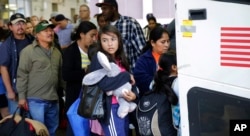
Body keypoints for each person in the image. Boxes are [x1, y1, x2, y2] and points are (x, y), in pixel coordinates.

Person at [87, 25, 138, 136]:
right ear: (100, 42)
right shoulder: (99, 58)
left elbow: (130, 82)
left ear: (119, 40)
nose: (110, 44)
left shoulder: (120, 58)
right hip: (111, 108)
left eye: (113, 39)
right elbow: (104, 85)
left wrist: (134, 95)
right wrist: (126, 75)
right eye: (105, 40)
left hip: (124, 105)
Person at [16, 21, 64, 136]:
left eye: (51, 30)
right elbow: (22, 75)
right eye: (45, 31)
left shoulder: (57, 52)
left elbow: (61, 75)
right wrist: (22, 97)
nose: (50, 33)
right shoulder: (28, 52)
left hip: (53, 98)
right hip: (35, 99)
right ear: (37, 35)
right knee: (39, 131)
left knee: (52, 130)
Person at [62, 21, 98, 136]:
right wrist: (85, 72)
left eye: (95, 36)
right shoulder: (70, 51)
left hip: (92, 99)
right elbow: (66, 75)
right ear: (82, 34)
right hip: (75, 98)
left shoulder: (95, 50)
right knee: (76, 130)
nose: (94, 39)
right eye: (91, 35)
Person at [96, 0, 146, 71]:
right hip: (112, 73)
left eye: (105, 9)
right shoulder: (105, 28)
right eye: (102, 9)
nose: (102, 12)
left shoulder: (130, 23)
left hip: (132, 72)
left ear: (113, 8)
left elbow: (142, 50)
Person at [0, 13, 34, 114]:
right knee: (16, 119)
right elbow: (3, 68)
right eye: (17, 24)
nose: (20, 26)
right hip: (16, 88)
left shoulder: (32, 40)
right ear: (11, 27)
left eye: (22, 23)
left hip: (33, 87)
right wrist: (9, 90)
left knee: (33, 121)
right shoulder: (7, 45)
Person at [133, 27, 170, 97]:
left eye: (168, 41)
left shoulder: (173, 56)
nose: (166, 45)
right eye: (163, 42)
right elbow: (140, 79)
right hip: (152, 98)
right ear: (153, 43)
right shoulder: (143, 60)